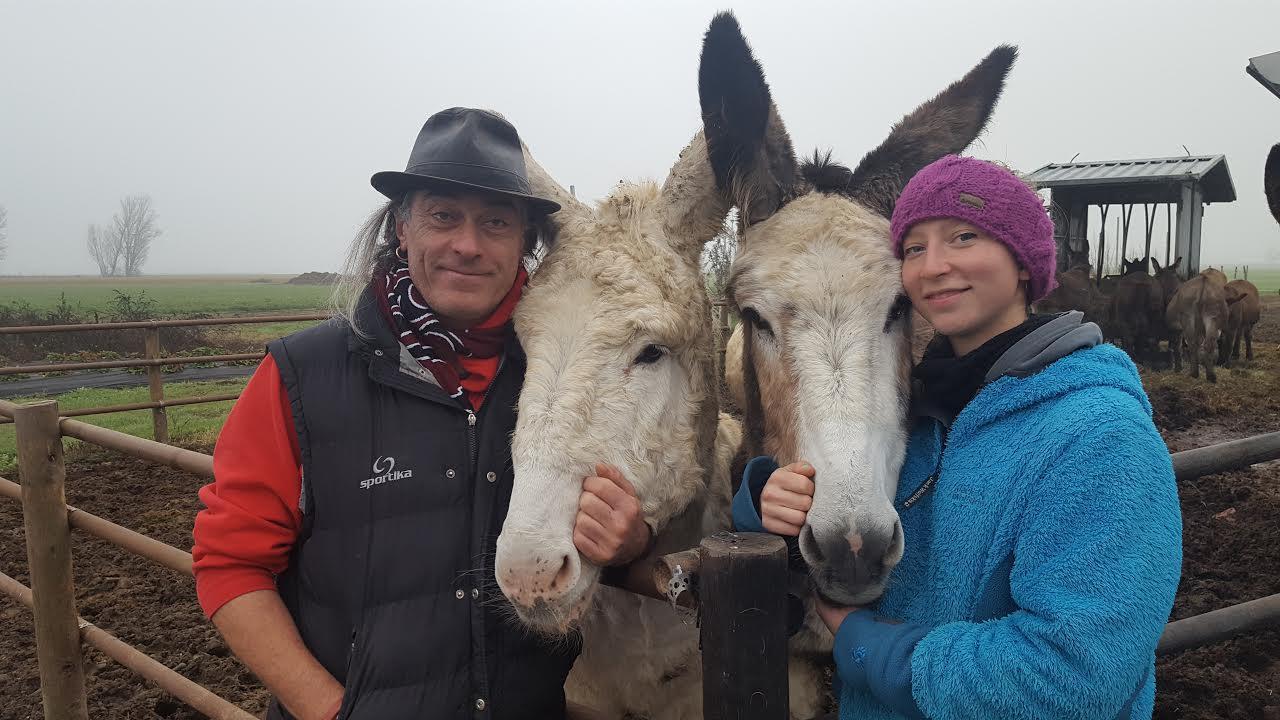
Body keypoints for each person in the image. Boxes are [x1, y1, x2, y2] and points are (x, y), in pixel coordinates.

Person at [191, 108, 652, 720]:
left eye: (496, 222)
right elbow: (231, 564)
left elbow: (625, 507)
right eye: (443, 215)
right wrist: (327, 710)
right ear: (402, 228)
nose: (468, 245)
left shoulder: (566, 379)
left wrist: (631, 541)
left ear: (525, 243)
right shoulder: (302, 376)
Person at [732, 155, 1182, 719]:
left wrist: (874, 649)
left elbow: (1076, 676)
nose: (935, 266)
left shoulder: (1101, 436)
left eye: (964, 236)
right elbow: (852, 515)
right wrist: (764, 507)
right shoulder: (922, 411)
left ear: (1023, 260)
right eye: (914, 248)